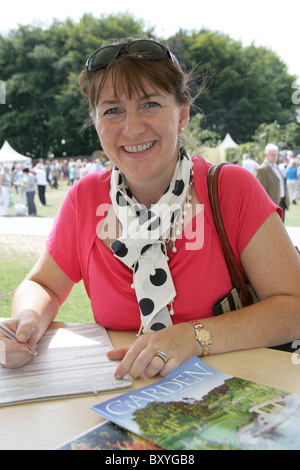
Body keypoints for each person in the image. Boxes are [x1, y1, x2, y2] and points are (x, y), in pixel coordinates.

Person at [1, 39, 300, 378]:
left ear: (183, 114)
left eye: (150, 105)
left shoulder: (232, 189)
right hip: (120, 401)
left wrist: (192, 336)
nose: (131, 128)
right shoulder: (84, 200)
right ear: (96, 123)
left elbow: (294, 307)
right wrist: (28, 320)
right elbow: (43, 286)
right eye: (112, 110)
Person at [255, 143, 290, 222]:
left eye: (276, 155)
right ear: (266, 155)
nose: (275, 157)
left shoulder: (276, 167)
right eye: (273, 155)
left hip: (281, 203)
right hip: (271, 206)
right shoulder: (261, 169)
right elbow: (260, 191)